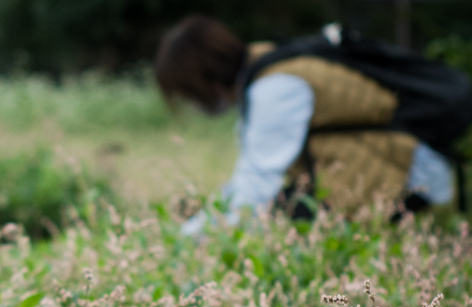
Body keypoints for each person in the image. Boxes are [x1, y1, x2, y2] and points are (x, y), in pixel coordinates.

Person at [155, 16, 464, 234]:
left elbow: (257, 187)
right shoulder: (267, 66)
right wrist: (209, 217)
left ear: (204, 81)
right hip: (385, 174)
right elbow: (247, 181)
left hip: (408, 181)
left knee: (279, 225)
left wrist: (190, 238)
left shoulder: (275, 88)